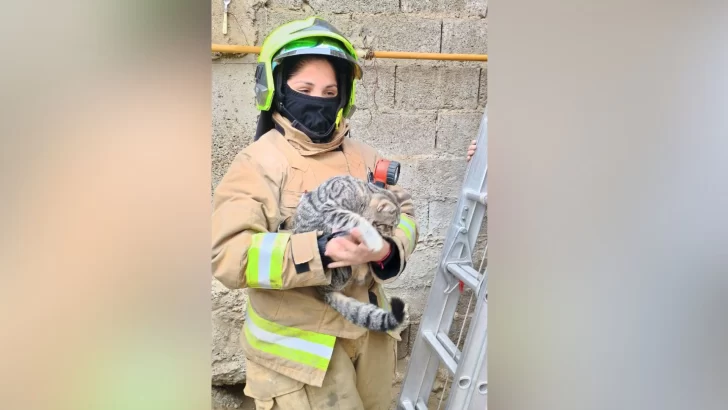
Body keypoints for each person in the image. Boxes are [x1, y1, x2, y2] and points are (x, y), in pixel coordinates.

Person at [211, 17, 419, 410]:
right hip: (302, 365)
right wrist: (320, 250)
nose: (318, 100)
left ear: (344, 97)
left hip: (369, 342)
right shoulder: (259, 163)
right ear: (276, 89)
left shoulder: (365, 158)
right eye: (304, 89)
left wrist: (387, 252)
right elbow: (228, 257)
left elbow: (406, 212)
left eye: (329, 91)